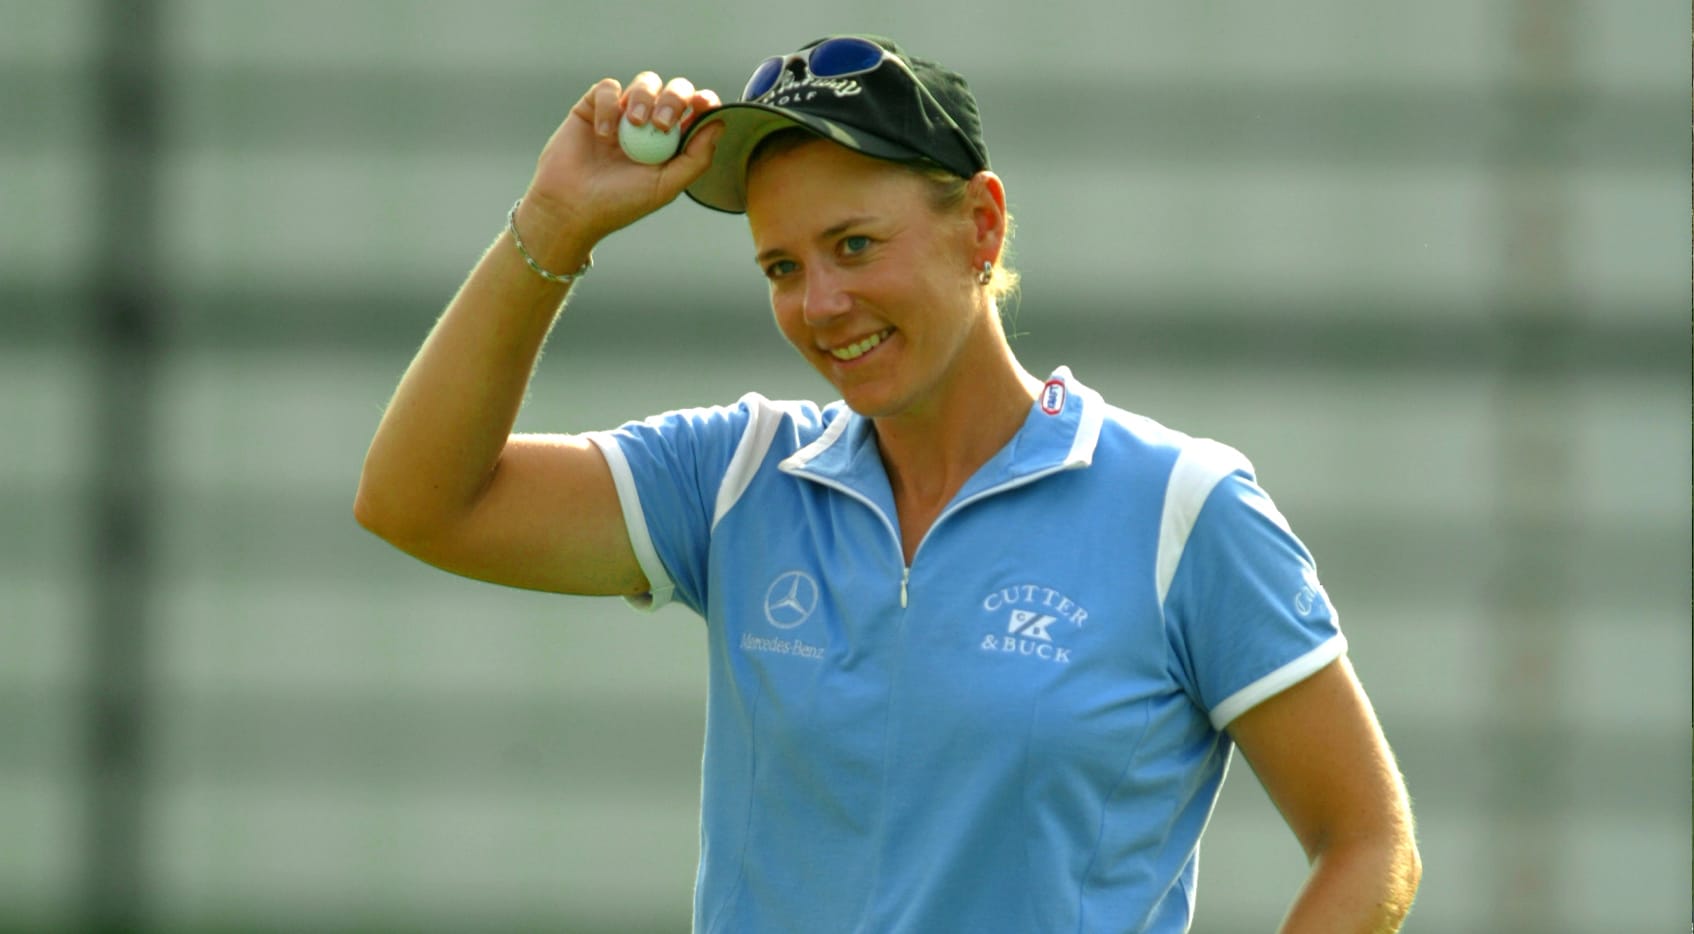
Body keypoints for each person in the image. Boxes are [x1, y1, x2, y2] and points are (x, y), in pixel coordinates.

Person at [354, 34, 1421, 934]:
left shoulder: (1180, 508)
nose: (820, 303)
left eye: (854, 245)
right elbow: (418, 501)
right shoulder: (736, 477)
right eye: (781, 267)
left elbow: (1366, 840)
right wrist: (556, 223)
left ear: (982, 227)